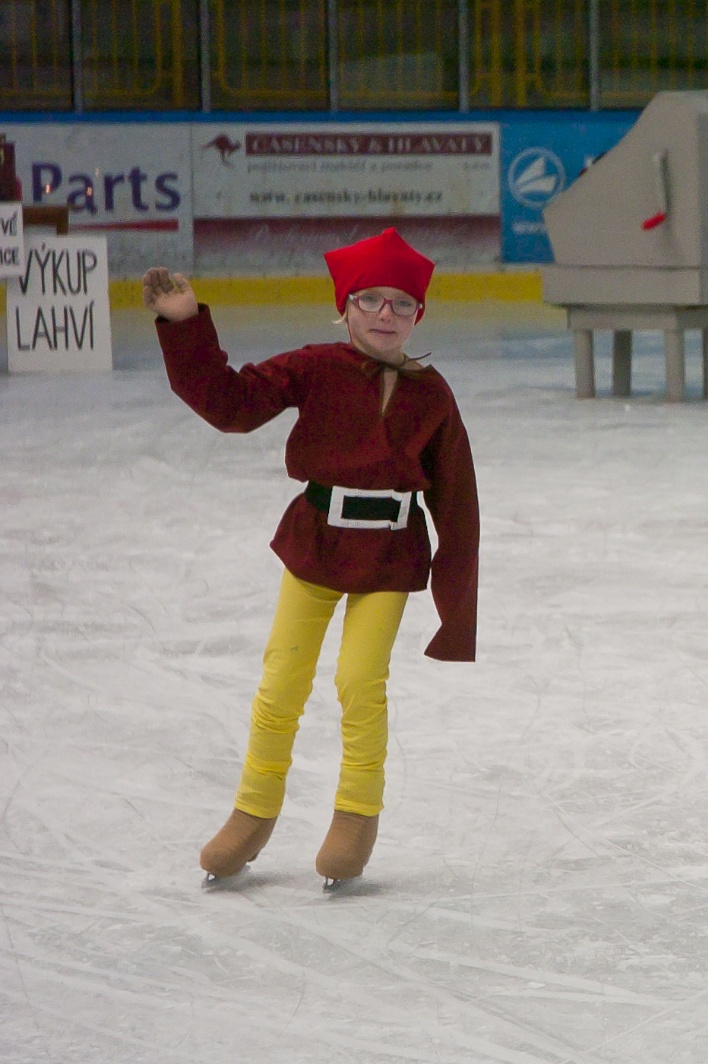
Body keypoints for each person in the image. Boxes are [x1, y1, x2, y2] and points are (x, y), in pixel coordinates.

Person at [144, 227, 479, 888]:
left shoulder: (433, 396)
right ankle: (252, 811)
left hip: (388, 557)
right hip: (315, 545)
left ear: (419, 314)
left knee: (359, 681)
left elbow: (458, 502)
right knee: (281, 682)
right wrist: (184, 326)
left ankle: (355, 815)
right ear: (344, 306)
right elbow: (232, 405)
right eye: (370, 300)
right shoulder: (315, 367)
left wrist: (455, 605)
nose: (385, 314)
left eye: (401, 303)